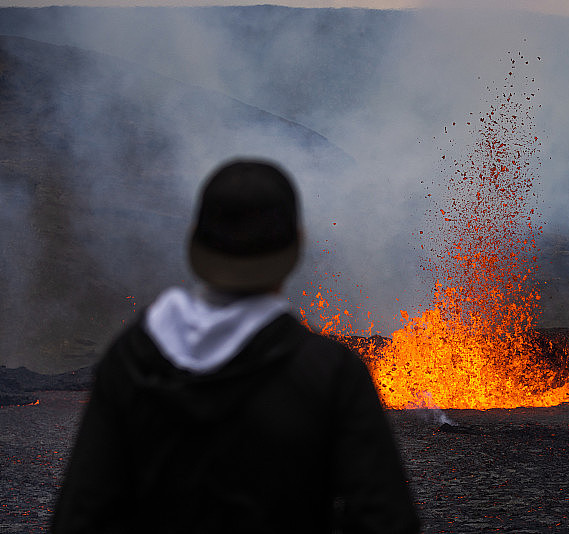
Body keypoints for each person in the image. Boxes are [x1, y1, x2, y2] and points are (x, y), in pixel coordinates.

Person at [52, 159, 421, 533]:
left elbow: (80, 513)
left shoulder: (131, 359)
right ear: (297, 242)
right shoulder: (329, 372)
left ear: (196, 239)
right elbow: (386, 519)